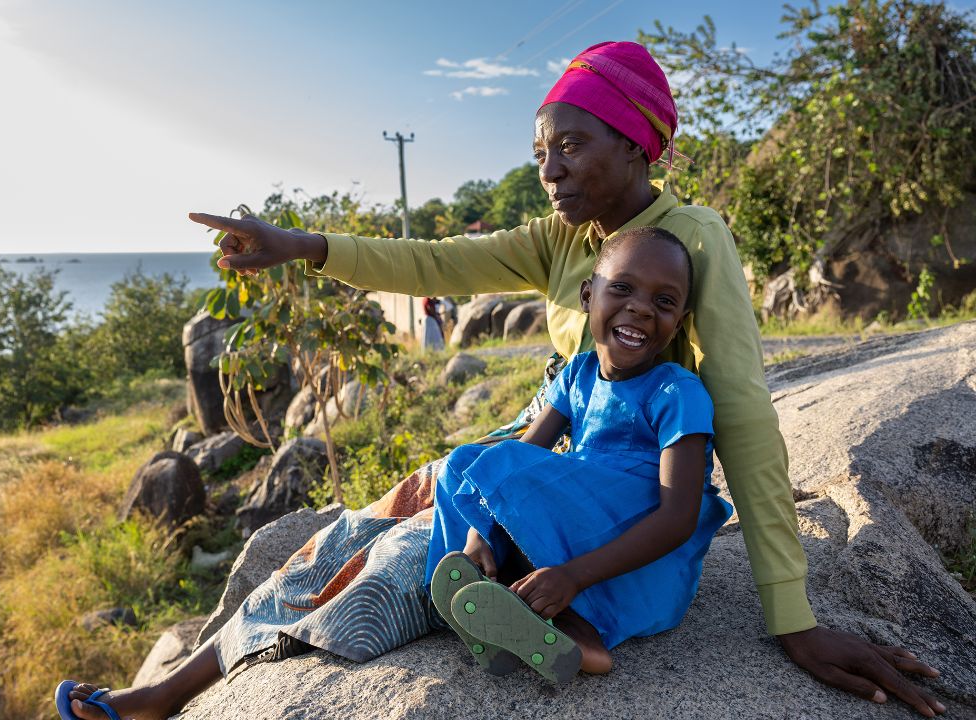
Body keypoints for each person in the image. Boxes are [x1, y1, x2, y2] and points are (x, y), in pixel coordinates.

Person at [57, 40, 945, 720]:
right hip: (554, 436)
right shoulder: (563, 236)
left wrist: (791, 614)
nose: (549, 169)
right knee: (368, 517)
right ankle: (177, 685)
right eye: (540, 151)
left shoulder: (692, 240)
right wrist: (301, 247)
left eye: (570, 146)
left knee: (396, 561)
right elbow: (435, 259)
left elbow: (742, 415)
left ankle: (184, 691)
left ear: (636, 147)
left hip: (611, 486)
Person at [427, 226, 731, 684]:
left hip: (635, 563)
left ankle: (581, 636)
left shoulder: (677, 391)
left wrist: (571, 576)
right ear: (589, 295)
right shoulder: (578, 373)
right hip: (581, 527)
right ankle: (478, 591)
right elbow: (524, 453)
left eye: (664, 302)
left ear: (680, 319)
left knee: (499, 465)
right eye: (623, 288)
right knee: (461, 464)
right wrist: (480, 532)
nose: (642, 308)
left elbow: (678, 519)